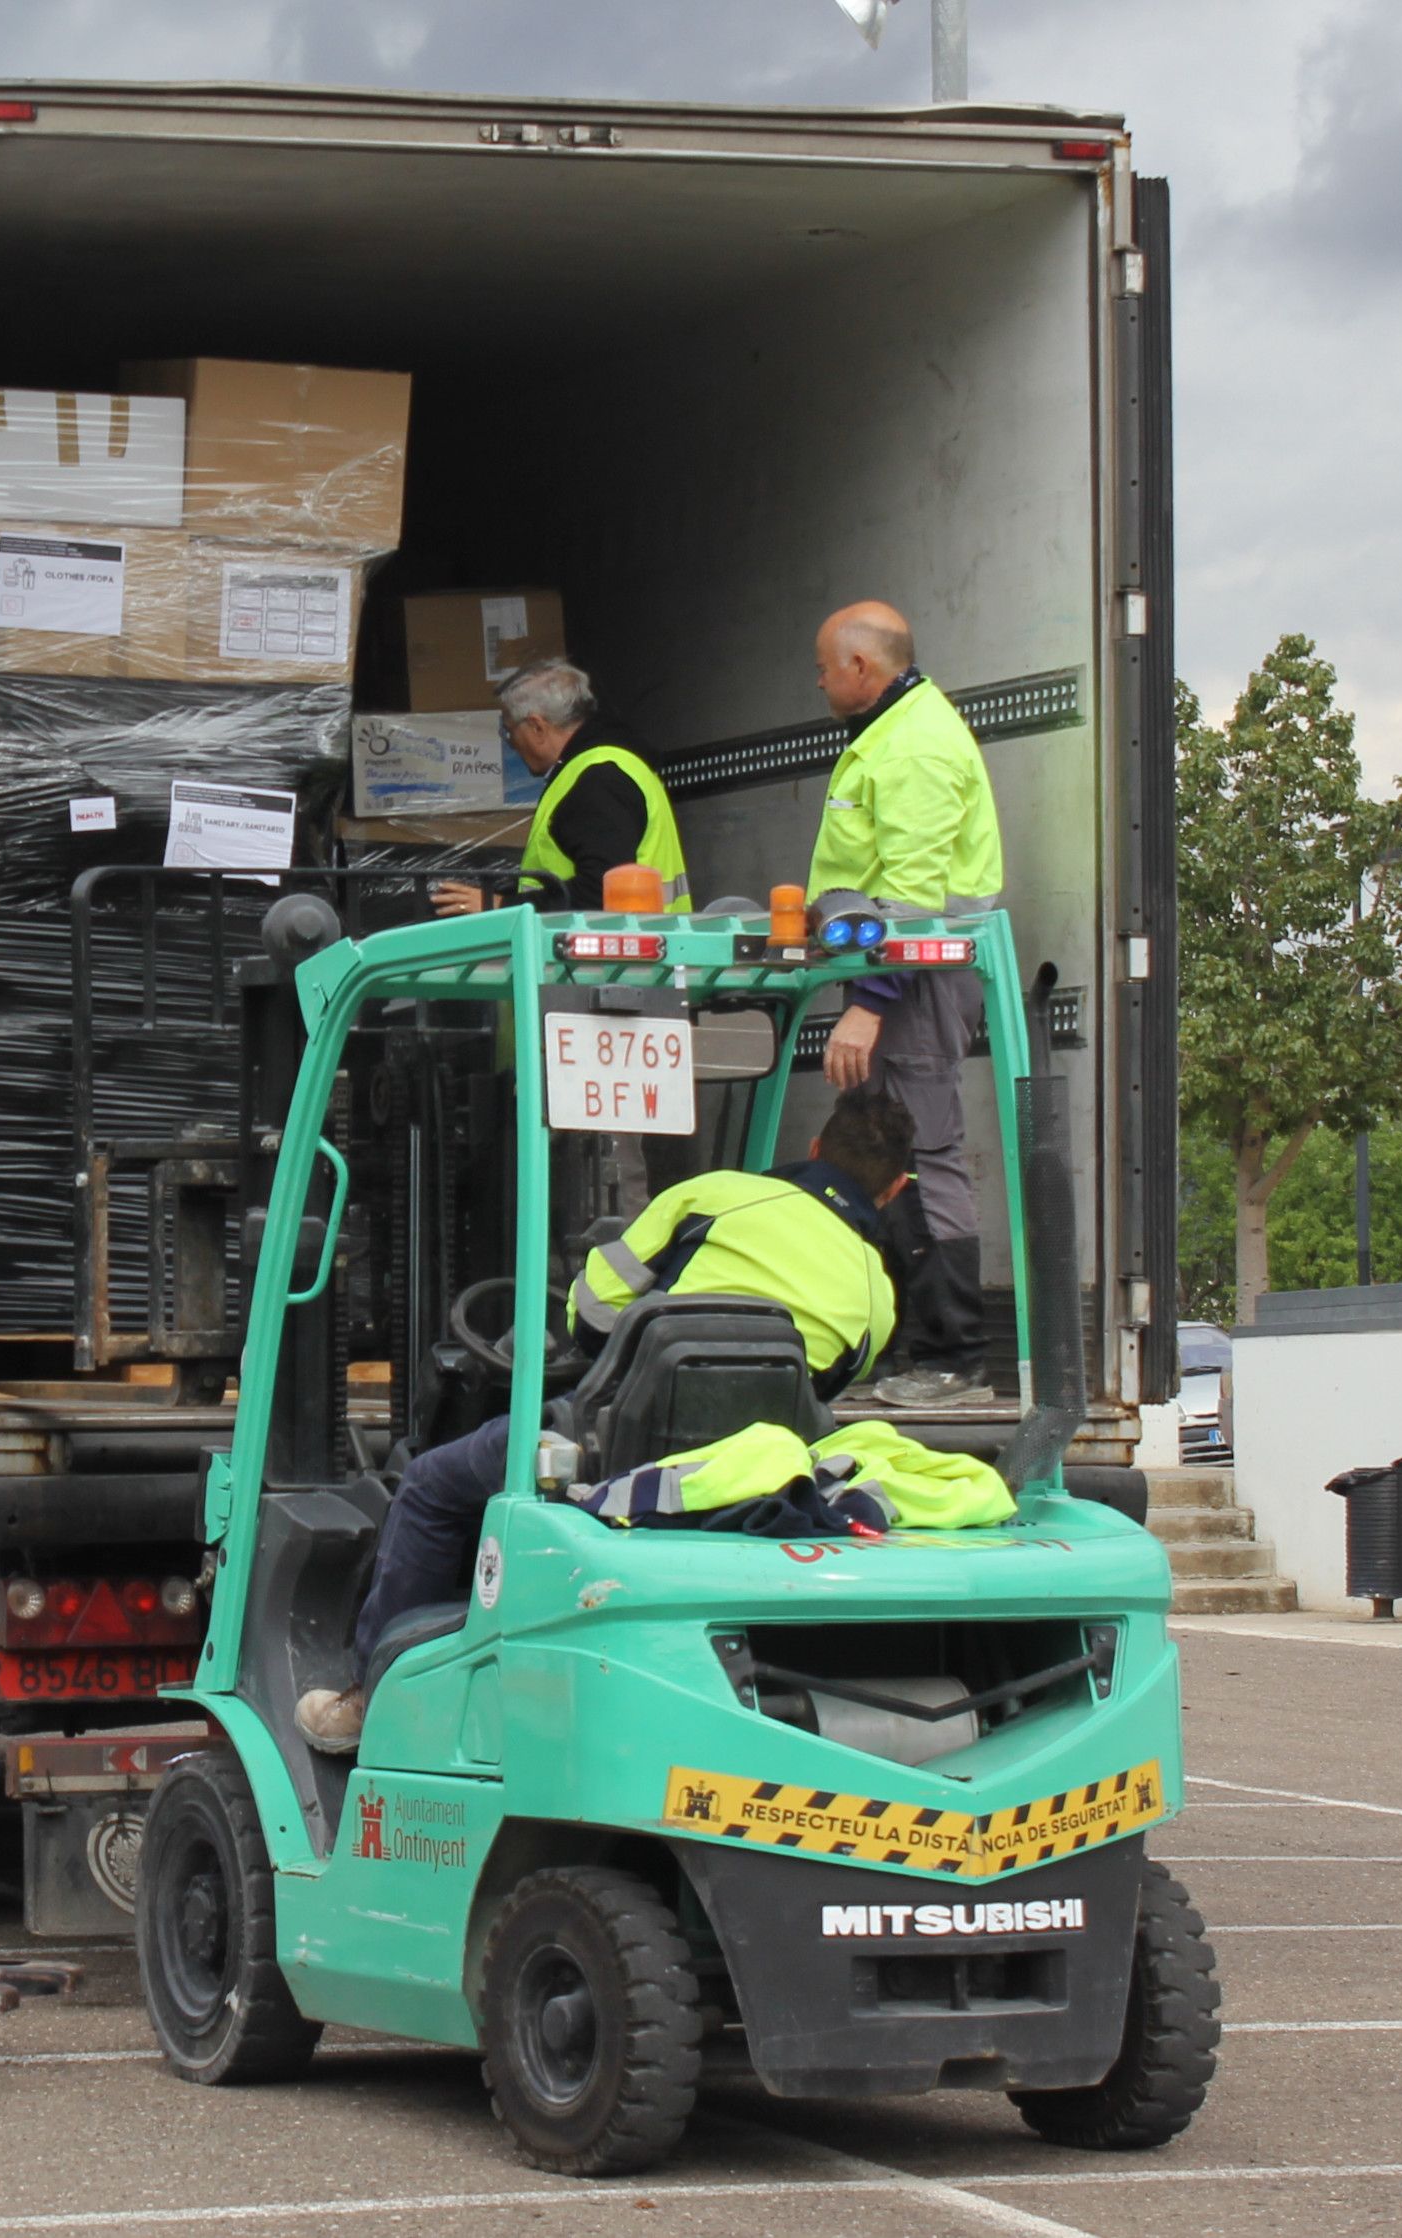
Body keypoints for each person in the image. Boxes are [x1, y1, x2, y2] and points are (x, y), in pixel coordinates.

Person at [293, 1088, 916, 1757]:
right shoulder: (878, 1292)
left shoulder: (715, 1195)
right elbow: (816, 1395)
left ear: (815, 1148)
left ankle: (368, 1701)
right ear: (895, 1190)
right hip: (748, 1479)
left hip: (616, 1453)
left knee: (431, 1486)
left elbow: (589, 1314)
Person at [808, 600, 1005, 1409]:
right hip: (897, 975)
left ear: (861, 667)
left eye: (824, 667)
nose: (818, 681)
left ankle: (954, 1357)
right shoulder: (893, 734)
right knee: (879, 1156)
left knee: (924, 1157)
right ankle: (903, 1349)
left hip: (917, 978)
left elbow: (915, 900)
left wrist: (871, 1002)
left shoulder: (916, 746)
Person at [431, 658, 690, 917]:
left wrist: (504, 906)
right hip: (650, 945)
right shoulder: (615, 763)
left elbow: (599, 893)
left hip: (616, 953)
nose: (511, 743)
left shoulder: (596, 780)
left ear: (537, 727)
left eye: (509, 732)